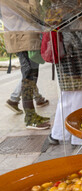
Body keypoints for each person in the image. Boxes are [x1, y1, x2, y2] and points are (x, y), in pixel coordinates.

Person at [46, 0, 82, 145]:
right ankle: (77, 137)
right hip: (74, 58)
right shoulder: (67, 8)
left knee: (70, 97)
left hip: (71, 57)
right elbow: (75, 33)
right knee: (80, 96)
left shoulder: (60, 7)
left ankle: (59, 133)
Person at [1, 0, 51, 129]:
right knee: (29, 76)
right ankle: (30, 118)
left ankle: (31, 113)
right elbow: (32, 13)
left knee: (31, 76)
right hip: (22, 38)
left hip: (23, 37)